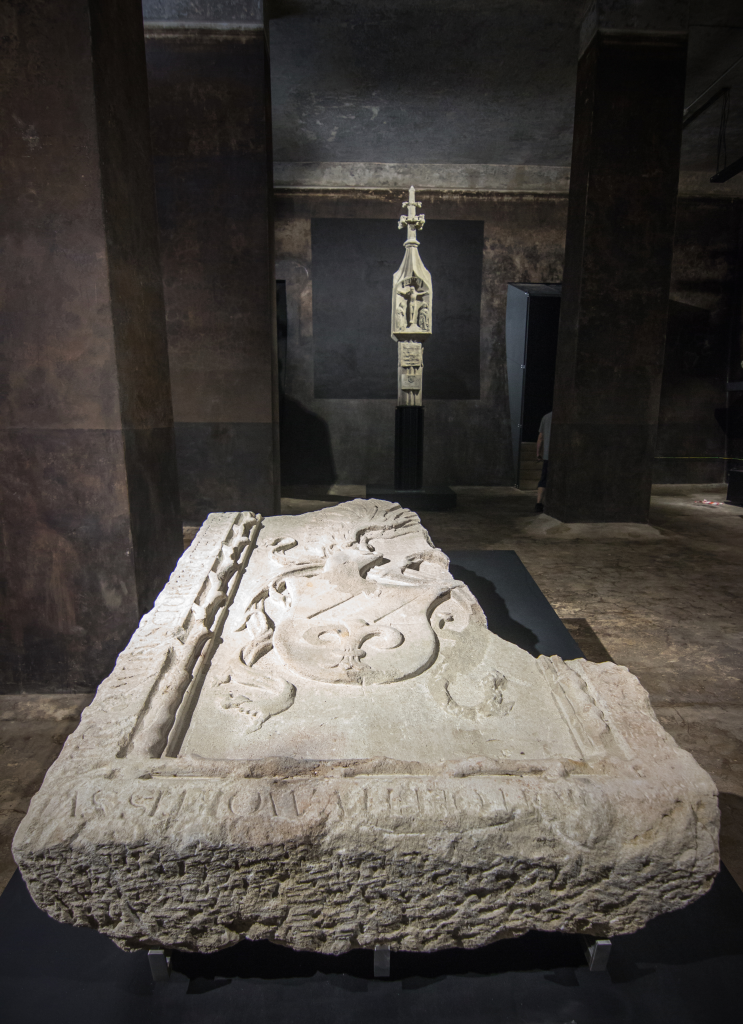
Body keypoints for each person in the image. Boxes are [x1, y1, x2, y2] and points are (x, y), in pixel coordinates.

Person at [535, 410, 551, 513]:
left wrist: (538, 453)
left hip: (547, 455)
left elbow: (540, 437)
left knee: (543, 479)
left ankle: (538, 503)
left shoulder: (546, 417)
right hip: (562, 455)